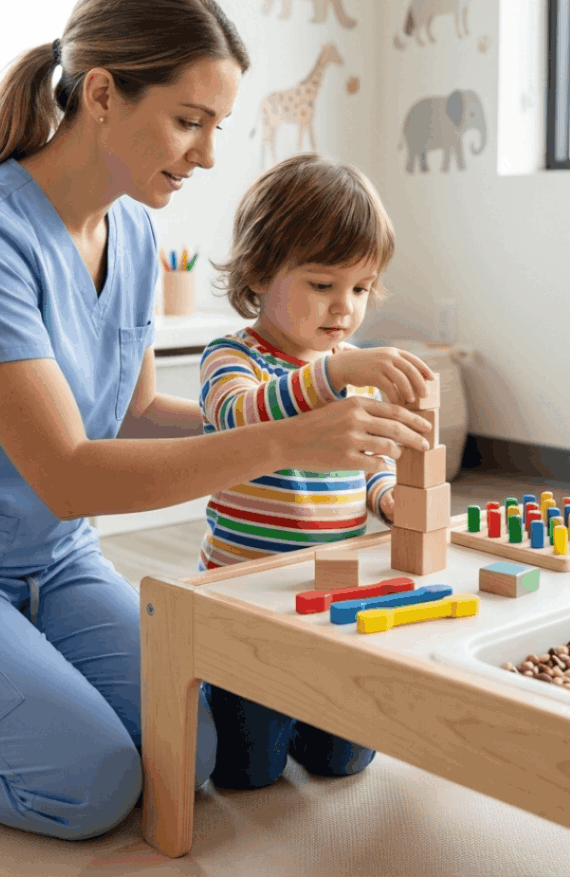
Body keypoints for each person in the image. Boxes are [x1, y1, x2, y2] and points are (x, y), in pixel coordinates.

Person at [0, 0, 429, 843]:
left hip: (51, 563)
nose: (208, 156)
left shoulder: (134, 229)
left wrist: (299, 415)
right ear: (101, 93)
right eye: (189, 121)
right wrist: (291, 437)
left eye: (218, 127)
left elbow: (134, 412)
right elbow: (68, 474)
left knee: (192, 751)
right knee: (91, 786)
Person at [196, 152, 435, 789]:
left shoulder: (352, 365)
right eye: (322, 285)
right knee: (245, 773)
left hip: (333, 592)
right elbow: (235, 419)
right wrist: (332, 373)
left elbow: (374, 465)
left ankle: (304, 710)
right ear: (259, 271)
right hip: (247, 594)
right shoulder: (233, 356)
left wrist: (389, 499)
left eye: (360, 289)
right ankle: (220, 699)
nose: (344, 310)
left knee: (344, 761)